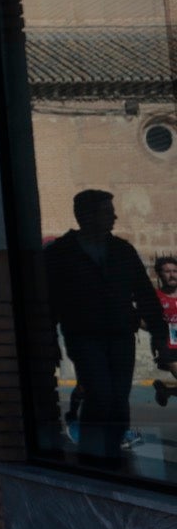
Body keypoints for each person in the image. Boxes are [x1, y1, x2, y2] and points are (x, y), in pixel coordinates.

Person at [42, 190, 164, 466]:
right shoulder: (62, 253)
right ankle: (94, 454)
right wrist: (49, 340)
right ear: (85, 216)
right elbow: (49, 302)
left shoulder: (122, 250)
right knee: (100, 393)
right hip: (84, 337)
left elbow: (144, 294)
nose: (114, 216)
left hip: (121, 335)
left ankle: (111, 453)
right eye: (107, 211)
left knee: (119, 398)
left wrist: (158, 333)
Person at [153, 256, 177, 408]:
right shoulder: (155, 297)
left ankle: (166, 391)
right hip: (168, 346)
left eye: (175, 271)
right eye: (167, 271)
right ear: (160, 274)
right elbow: (143, 321)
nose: (172, 274)